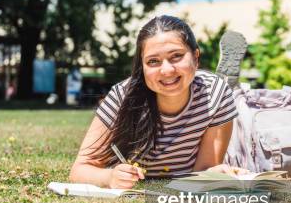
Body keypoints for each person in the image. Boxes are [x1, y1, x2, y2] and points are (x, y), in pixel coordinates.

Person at [70, 15, 248, 189]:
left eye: (176, 56)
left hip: (228, 119)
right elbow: (79, 170)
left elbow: (202, 172)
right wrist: (109, 177)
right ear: (142, 66)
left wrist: (213, 173)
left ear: (196, 57)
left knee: (251, 128)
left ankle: (241, 92)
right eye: (153, 61)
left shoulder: (216, 94)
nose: (167, 70)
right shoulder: (122, 96)